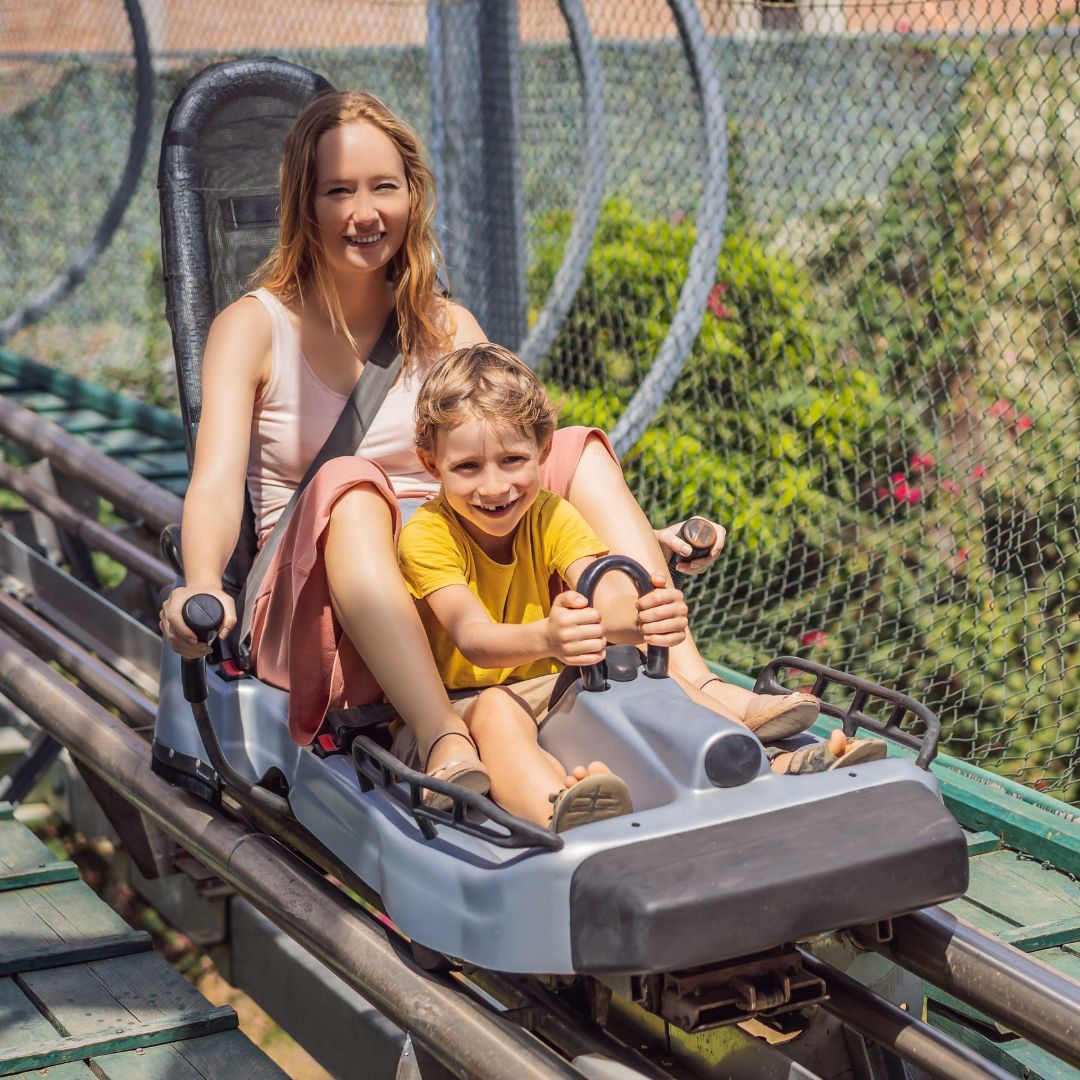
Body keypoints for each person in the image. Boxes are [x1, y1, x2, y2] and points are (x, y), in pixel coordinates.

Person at [158, 88, 828, 795]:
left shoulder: (447, 327)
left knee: (575, 446)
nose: (363, 212)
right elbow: (213, 479)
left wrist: (634, 536)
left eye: (384, 187)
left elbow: (519, 466)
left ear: (412, 195)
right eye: (338, 191)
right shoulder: (255, 327)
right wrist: (201, 583)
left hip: (466, 588)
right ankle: (442, 733)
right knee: (352, 487)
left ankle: (694, 682)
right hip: (327, 604)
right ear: (304, 204)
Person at [393, 344, 887, 830]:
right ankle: (557, 807)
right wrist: (547, 637)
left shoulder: (549, 515)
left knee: (648, 675)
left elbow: (603, 583)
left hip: (547, 687)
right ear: (432, 465)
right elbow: (471, 635)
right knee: (499, 709)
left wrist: (643, 617)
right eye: (468, 467)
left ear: (543, 452)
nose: (495, 486)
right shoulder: (428, 534)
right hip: (459, 705)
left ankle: (764, 764)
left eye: (512, 460)